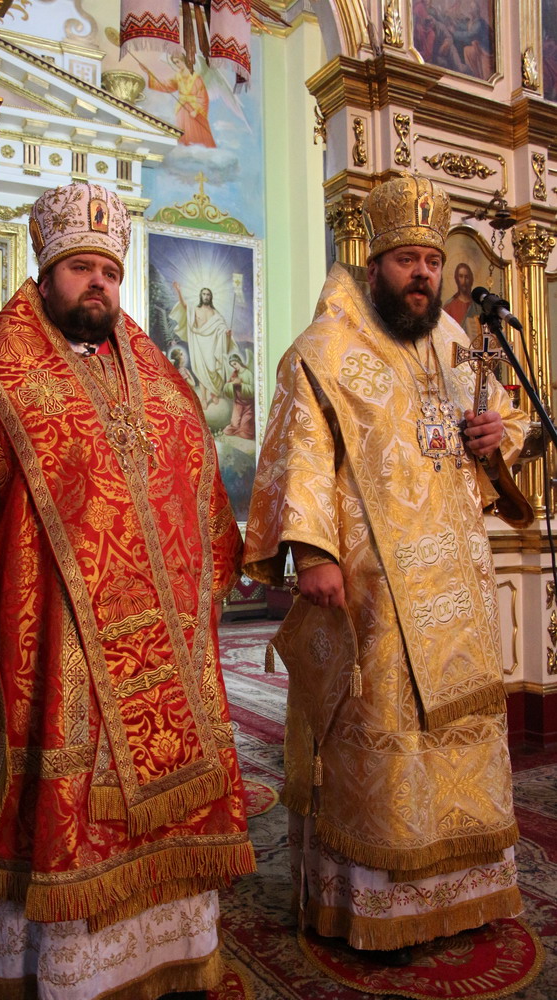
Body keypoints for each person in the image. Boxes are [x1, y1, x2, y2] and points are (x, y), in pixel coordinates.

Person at [0, 181, 255, 1000]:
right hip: (50, 644)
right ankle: (58, 974)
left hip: (167, 644)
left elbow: (200, 486)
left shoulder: (162, 381)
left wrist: (213, 575)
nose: (98, 284)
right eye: (82, 268)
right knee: (60, 802)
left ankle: (171, 955)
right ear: (46, 273)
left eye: (109, 271)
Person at [243, 174, 529, 966]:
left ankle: (459, 894)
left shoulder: (452, 346)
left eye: (431, 262)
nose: (422, 276)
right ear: (375, 267)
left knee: (458, 733)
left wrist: (494, 439)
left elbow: (503, 423)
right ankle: (376, 901)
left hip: (457, 587)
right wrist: (314, 553)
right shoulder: (326, 350)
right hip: (375, 589)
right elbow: (301, 452)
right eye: (407, 261)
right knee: (381, 733)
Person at [170, 284, 236, 408]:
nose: (206, 296)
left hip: (212, 345)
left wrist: (226, 334)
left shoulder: (215, 313)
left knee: (213, 370)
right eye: (204, 294)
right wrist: (179, 291)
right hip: (199, 344)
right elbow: (185, 306)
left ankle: (214, 393)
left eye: (208, 294)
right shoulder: (195, 309)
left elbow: (222, 328)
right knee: (201, 371)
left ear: (211, 297)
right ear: (201, 296)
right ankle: (204, 398)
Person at [145, 52, 216, 148]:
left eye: (178, 62)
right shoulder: (178, 76)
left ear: (184, 61)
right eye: (174, 63)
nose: (176, 65)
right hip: (182, 109)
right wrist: (150, 75)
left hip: (194, 110)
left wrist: (196, 111)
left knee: (197, 133)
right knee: (183, 133)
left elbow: (203, 97)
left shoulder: (196, 78)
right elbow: (167, 86)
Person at [443, 261, 481, 338]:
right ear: (456, 279)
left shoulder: (478, 307)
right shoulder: (449, 306)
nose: (464, 281)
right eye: (461, 276)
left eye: (467, 277)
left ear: (471, 279)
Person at [222, 353, 255, 440]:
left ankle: (242, 428)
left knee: (246, 433)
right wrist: (232, 384)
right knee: (230, 429)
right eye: (232, 365)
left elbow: (252, 390)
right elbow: (226, 388)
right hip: (238, 404)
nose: (234, 367)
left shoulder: (248, 373)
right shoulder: (234, 374)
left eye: (235, 364)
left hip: (248, 406)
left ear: (239, 362)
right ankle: (238, 428)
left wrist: (241, 384)